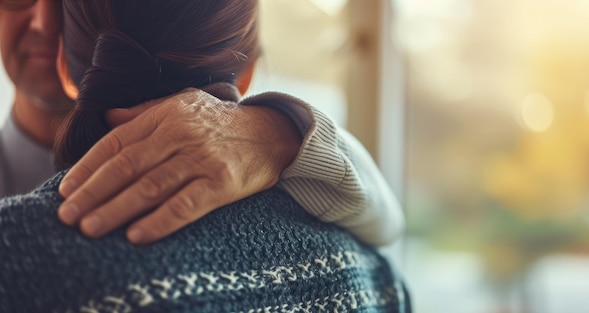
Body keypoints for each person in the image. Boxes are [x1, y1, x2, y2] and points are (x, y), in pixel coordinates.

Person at [0, 0, 410, 311]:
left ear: (65, 59)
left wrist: (282, 131)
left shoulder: (20, 251)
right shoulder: (361, 272)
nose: (44, 22)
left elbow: (386, 222)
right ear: (246, 69)